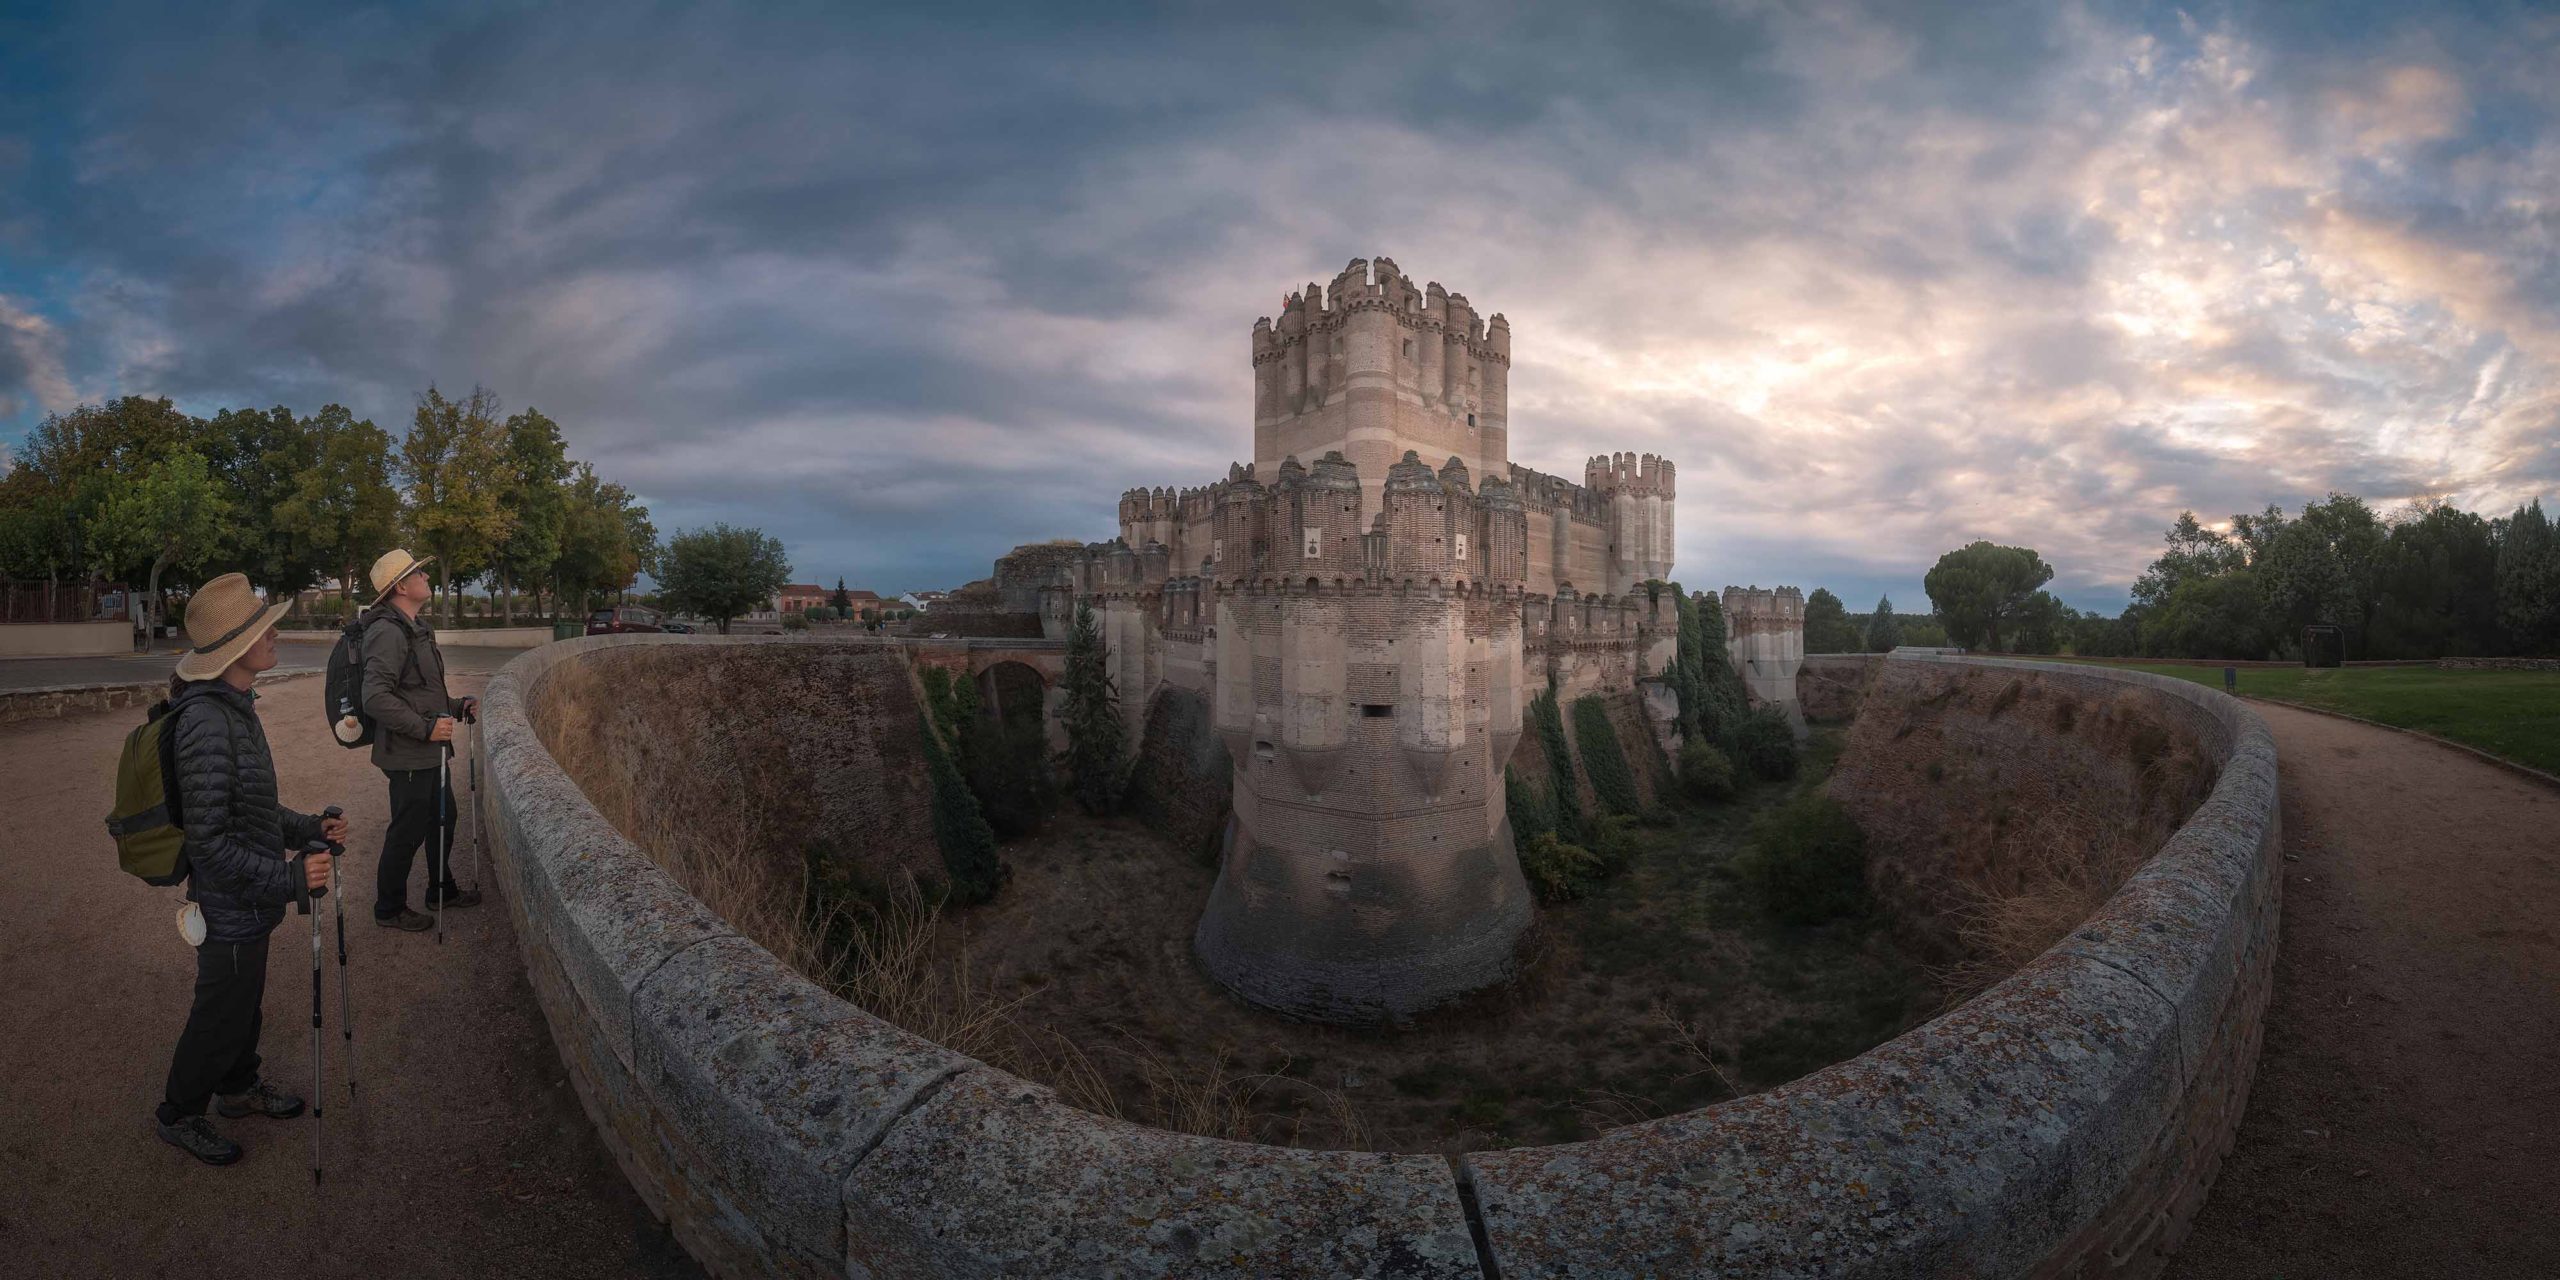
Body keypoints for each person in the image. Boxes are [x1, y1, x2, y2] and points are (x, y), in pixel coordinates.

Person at [155, 572, 348, 1166]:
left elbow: (255, 812)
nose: (275, 633)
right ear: (234, 648)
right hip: (231, 902)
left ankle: (237, 1089)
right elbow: (209, 843)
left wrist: (309, 827)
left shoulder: (236, 708)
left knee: (245, 1004)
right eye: (264, 626)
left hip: (250, 900)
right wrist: (291, 879)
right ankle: (179, 1113)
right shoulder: (207, 722)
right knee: (218, 1013)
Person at [358, 549, 479, 931]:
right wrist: (425, 728)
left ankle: (441, 890)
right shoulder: (387, 632)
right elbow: (375, 697)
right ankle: (388, 908)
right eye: (419, 575)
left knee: (444, 819)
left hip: (429, 750)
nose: (427, 579)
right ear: (400, 587)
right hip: (409, 754)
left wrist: (456, 706)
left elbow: (421, 690)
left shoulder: (417, 627)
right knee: (407, 830)